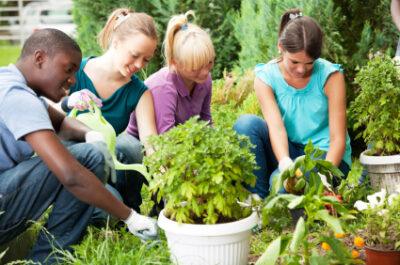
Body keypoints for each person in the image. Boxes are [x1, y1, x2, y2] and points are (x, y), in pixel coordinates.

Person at [0, 29, 157, 265]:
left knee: (90, 154)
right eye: (68, 69)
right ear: (40, 58)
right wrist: (130, 217)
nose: (73, 79)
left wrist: (91, 134)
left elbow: (62, 121)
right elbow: (70, 175)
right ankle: (49, 260)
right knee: (87, 159)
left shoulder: (12, 82)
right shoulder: (17, 96)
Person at [233, 9, 352, 199]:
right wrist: (285, 163)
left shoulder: (331, 76)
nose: (301, 69)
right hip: (289, 149)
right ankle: (258, 201)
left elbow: (338, 139)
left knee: (280, 185)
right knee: (246, 125)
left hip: (326, 156)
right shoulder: (266, 78)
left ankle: (283, 188)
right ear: (281, 46)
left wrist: (324, 178)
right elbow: (277, 129)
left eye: (309, 63)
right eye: (294, 61)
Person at [63, 8, 158, 213]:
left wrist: (166, 171)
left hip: (104, 164)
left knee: (131, 146)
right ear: (116, 42)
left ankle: (129, 207)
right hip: (70, 165)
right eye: (135, 55)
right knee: (105, 214)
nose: (139, 65)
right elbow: (47, 111)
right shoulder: (76, 72)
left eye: (146, 59)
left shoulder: (139, 92)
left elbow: (151, 142)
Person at [127, 10, 214, 137]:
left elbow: (205, 120)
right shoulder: (162, 88)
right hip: (144, 146)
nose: (205, 72)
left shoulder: (205, 81)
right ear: (175, 63)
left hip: (180, 143)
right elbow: (165, 137)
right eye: (196, 68)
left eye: (209, 62)